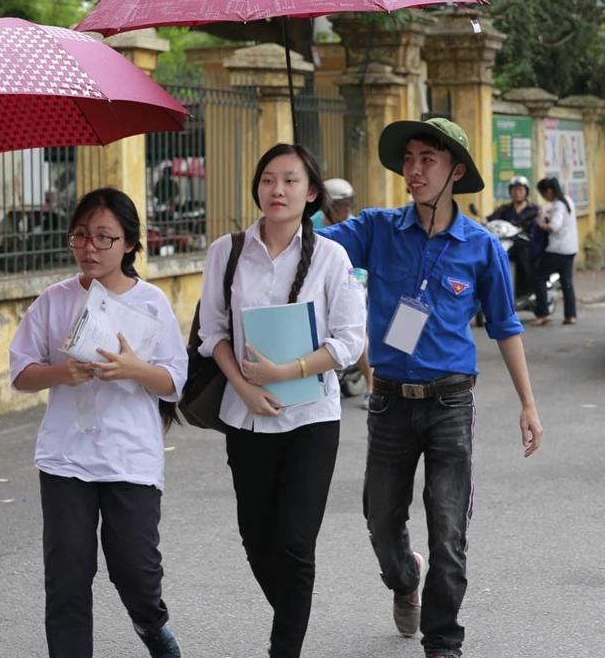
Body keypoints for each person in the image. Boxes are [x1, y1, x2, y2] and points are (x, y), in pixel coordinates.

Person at [321, 117, 543, 658]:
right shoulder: (375, 228)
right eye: (409, 159)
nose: (413, 170)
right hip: (389, 400)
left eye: (428, 160)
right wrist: (296, 199)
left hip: (450, 401)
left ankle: (443, 642)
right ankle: (404, 578)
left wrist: (528, 405)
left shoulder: (481, 247)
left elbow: (505, 325)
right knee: (380, 520)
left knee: (448, 532)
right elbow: (308, 246)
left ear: (455, 171)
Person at [197, 144, 366, 658]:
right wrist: (246, 386)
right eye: (268, 179)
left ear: (311, 192)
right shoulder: (225, 252)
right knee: (256, 538)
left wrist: (286, 371)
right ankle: (293, 612)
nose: (277, 190)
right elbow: (213, 333)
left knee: (294, 544)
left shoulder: (332, 257)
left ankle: (284, 648)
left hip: (312, 417)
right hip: (245, 418)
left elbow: (350, 341)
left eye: (291, 181)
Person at [9, 187, 187, 658]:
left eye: (104, 238)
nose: (89, 248)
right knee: (67, 576)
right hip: (66, 457)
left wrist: (134, 370)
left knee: (135, 569)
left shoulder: (152, 303)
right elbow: (21, 374)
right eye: (81, 236)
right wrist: (61, 373)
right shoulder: (53, 300)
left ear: (129, 243)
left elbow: (173, 381)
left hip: (130, 456)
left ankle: (151, 626)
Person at [313, 178, 374, 403]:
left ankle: (371, 385)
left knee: (356, 331)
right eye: (340, 205)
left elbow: (359, 268)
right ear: (327, 205)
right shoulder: (313, 224)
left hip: (352, 278)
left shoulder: (354, 226)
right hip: (320, 283)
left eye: (349, 204)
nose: (345, 210)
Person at [531, 177, 578, 326]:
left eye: (543, 194)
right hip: (570, 248)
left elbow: (554, 226)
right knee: (567, 282)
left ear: (550, 191)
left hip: (557, 249)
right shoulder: (567, 201)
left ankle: (543, 313)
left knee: (538, 276)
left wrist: (541, 224)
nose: (544, 197)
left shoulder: (558, 205)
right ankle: (570, 316)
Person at [487, 175, 540, 298]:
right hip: (506, 243)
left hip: (526, 243)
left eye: (520, 190)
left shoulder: (534, 209)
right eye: (514, 190)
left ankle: (527, 290)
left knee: (524, 259)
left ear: (526, 192)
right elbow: (490, 219)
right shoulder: (504, 209)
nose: (517, 193)